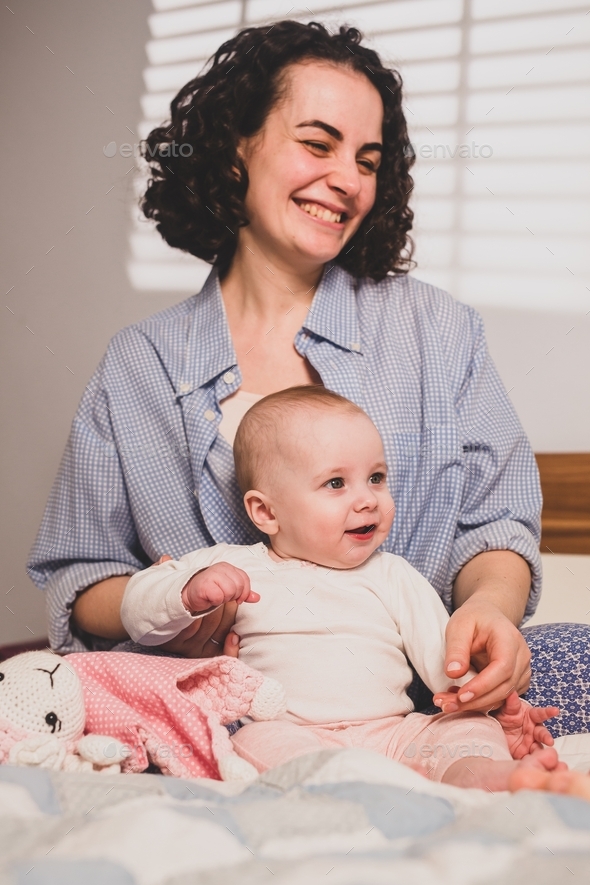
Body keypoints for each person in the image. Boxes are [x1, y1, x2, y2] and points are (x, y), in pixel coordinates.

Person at [27, 20, 588, 734]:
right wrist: (170, 607)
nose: (347, 179)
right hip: (219, 706)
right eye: (318, 144)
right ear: (238, 146)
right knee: (42, 692)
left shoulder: (439, 332)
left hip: (430, 702)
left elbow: (496, 523)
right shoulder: (138, 366)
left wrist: (485, 611)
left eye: (367, 158)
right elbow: (82, 573)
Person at [120, 386, 568, 791]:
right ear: (266, 512)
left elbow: (445, 660)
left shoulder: (392, 574)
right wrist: (186, 592)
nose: (367, 498)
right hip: (296, 733)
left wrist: (487, 699)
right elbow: (136, 612)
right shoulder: (233, 566)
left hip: (395, 733)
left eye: (376, 477)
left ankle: (491, 777)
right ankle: (358, 787)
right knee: (255, 739)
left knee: (464, 731)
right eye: (336, 483)